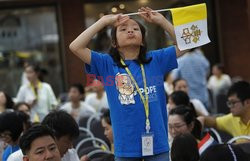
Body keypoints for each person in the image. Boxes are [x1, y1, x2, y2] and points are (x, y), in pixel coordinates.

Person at [69, 6, 186, 160]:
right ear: (114, 42)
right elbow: (75, 47)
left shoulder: (155, 60)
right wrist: (103, 22)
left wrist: (161, 21)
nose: (130, 31)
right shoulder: (107, 64)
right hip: (126, 148)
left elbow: (185, 44)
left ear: (143, 40)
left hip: (157, 143)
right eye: (123, 29)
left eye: (136, 29)